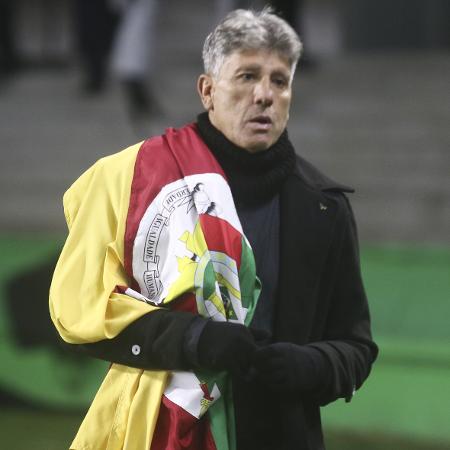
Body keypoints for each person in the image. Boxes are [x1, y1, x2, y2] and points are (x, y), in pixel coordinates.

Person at [49, 8, 377, 450]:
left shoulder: (325, 205)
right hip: (162, 432)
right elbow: (83, 310)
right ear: (207, 90)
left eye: (279, 81)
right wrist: (194, 339)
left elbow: (355, 346)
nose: (264, 95)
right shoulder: (135, 178)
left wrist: (313, 365)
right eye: (246, 76)